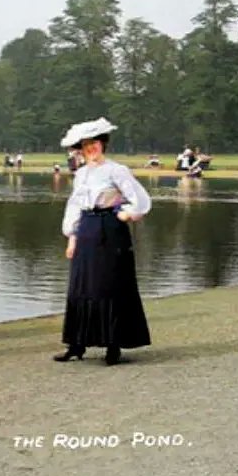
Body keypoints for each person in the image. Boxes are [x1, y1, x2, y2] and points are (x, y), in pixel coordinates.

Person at [56, 117, 152, 365]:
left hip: (110, 230)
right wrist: (71, 237)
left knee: (109, 285)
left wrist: (127, 213)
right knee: (82, 286)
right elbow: (75, 205)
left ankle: (113, 345)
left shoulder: (116, 170)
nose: (91, 148)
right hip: (87, 229)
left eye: (95, 143)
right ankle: (76, 345)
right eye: (86, 145)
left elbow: (139, 198)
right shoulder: (81, 174)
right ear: (81, 149)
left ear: (103, 144)